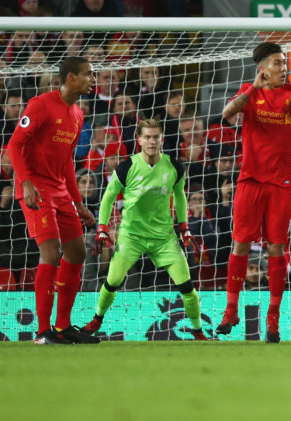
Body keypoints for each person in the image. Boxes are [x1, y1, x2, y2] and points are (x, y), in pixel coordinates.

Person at [216, 43, 291, 343]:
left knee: (276, 248)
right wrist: (252, 89)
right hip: (250, 182)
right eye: (277, 63)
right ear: (262, 68)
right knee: (241, 244)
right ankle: (231, 308)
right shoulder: (250, 91)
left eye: (284, 63)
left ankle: (273, 317)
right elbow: (226, 114)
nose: (283, 68)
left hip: (282, 184)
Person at [82, 120, 206, 340]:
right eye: (147, 137)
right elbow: (109, 196)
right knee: (112, 282)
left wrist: (184, 225)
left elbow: (179, 196)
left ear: (162, 139)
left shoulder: (174, 166)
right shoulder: (127, 166)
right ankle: (96, 320)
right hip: (131, 236)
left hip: (163, 238)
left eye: (155, 137)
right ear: (139, 140)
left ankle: (197, 331)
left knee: (187, 287)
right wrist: (102, 227)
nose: (152, 141)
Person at [7, 56, 99, 344]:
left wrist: (79, 202)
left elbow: (68, 163)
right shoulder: (40, 105)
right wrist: (26, 182)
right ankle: (43, 332)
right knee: (51, 251)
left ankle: (62, 326)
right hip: (35, 189)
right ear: (70, 78)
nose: (93, 79)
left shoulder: (78, 115)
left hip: (60, 191)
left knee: (77, 253)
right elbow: (14, 144)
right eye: (88, 74)